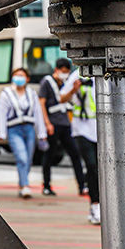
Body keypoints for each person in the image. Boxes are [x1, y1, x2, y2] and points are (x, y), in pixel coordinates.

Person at [0, 66, 47, 198]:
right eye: (16, 75)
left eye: (22, 75)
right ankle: (25, 186)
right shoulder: (6, 93)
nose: (19, 78)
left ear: (27, 78)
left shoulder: (32, 93)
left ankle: (22, 183)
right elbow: (1, 113)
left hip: (29, 129)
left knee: (28, 160)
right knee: (22, 157)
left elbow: (38, 113)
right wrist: (0, 132)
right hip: (14, 129)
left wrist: (42, 133)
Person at [39, 57, 86, 196]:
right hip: (53, 123)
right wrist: (46, 123)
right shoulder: (47, 82)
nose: (64, 74)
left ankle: (82, 185)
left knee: (75, 154)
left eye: (67, 71)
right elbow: (41, 103)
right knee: (49, 155)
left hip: (65, 123)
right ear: (56, 70)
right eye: (63, 71)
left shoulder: (66, 83)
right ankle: (46, 185)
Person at [69, 70, 100, 225]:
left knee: (101, 169)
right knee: (92, 166)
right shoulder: (77, 75)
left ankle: (103, 204)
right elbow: (61, 98)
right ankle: (95, 205)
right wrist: (73, 89)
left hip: (102, 131)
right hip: (82, 130)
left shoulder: (106, 71)